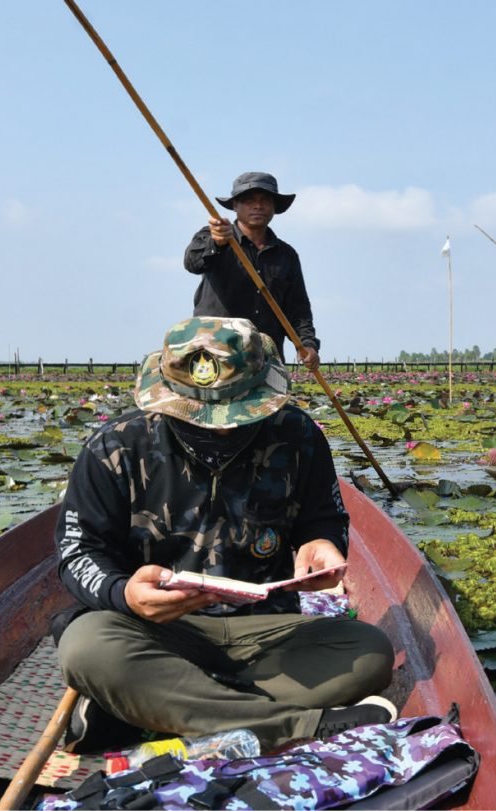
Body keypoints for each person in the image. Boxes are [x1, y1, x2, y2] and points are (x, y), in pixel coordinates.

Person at [55, 316, 394, 753]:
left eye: (232, 415)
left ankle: (150, 706)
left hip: (270, 632)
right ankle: (304, 725)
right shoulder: (114, 447)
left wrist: (322, 544)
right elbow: (77, 553)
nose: (217, 429)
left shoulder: (299, 436)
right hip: (158, 629)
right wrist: (125, 594)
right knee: (86, 648)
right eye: (199, 418)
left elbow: (323, 517)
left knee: (370, 652)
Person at [184, 172, 321, 372]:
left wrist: (307, 343)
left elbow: (298, 308)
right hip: (215, 352)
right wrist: (217, 242)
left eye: (265, 201)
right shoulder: (211, 235)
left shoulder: (287, 255)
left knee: (274, 404)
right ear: (235, 206)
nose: (258, 206)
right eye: (249, 201)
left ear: (274, 207)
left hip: (265, 356)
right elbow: (192, 263)